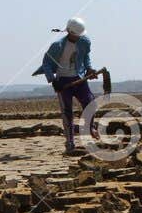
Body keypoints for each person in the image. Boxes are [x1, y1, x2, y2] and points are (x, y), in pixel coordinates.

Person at [36, 16, 99, 155]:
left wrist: (89, 68)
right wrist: (53, 80)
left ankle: (90, 126)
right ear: (69, 32)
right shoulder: (57, 46)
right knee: (67, 113)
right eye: (75, 35)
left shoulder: (84, 41)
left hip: (79, 78)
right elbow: (46, 63)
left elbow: (85, 57)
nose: (77, 37)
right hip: (63, 81)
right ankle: (70, 143)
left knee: (91, 103)